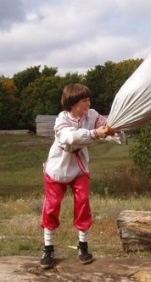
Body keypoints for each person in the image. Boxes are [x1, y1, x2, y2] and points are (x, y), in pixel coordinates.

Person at [39, 83, 116, 269]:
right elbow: (71, 138)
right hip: (57, 169)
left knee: (83, 203)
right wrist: (95, 133)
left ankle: (83, 246)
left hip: (79, 169)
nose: (88, 103)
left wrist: (116, 130)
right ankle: (48, 248)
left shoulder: (92, 115)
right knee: (52, 206)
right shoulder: (61, 121)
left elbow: (107, 126)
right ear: (72, 103)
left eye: (89, 99)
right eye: (84, 100)